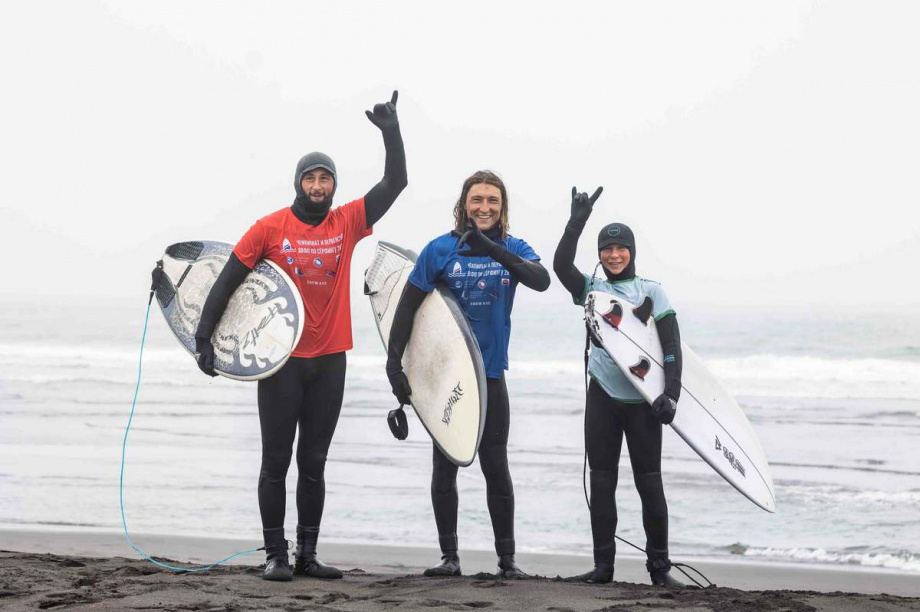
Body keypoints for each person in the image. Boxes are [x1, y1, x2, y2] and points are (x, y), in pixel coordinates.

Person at [193, 91, 407, 581]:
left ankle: (307, 554)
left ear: (333, 186)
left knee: (314, 461)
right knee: (275, 461)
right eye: (310, 177)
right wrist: (204, 338)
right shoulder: (269, 228)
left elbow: (395, 183)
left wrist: (391, 133)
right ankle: (276, 555)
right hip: (281, 362)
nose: (317, 185)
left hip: (330, 361)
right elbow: (228, 281)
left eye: (325, 178)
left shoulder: (347, 222)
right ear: (298, 183)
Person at [385, 170, 550, 578]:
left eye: (493, 200)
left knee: (496, 468)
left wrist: (491, 249)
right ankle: (449, 557)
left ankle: (507, 561)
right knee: (445, 469)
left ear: (502, 207)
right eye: (477, 199)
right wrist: (394, 364)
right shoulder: (439, 250)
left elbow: (541, 280)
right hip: (447, 380)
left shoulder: (513, 248)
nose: (484, 207)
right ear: (463, 204)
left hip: (490, 376)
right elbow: (406, 309)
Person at [553, 187, 685, 588]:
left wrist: (671, 395)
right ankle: (603, 567)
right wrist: (576, 223)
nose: (614, 255)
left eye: (620, 248)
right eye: (607, 249)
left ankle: (659, 568)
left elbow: (672, 347)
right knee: (602, 481)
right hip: (603, 397)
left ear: (632, 251)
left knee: (649, 483)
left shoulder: (651, 291)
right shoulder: (591, 290)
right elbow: (560, 266)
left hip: (644, 401)